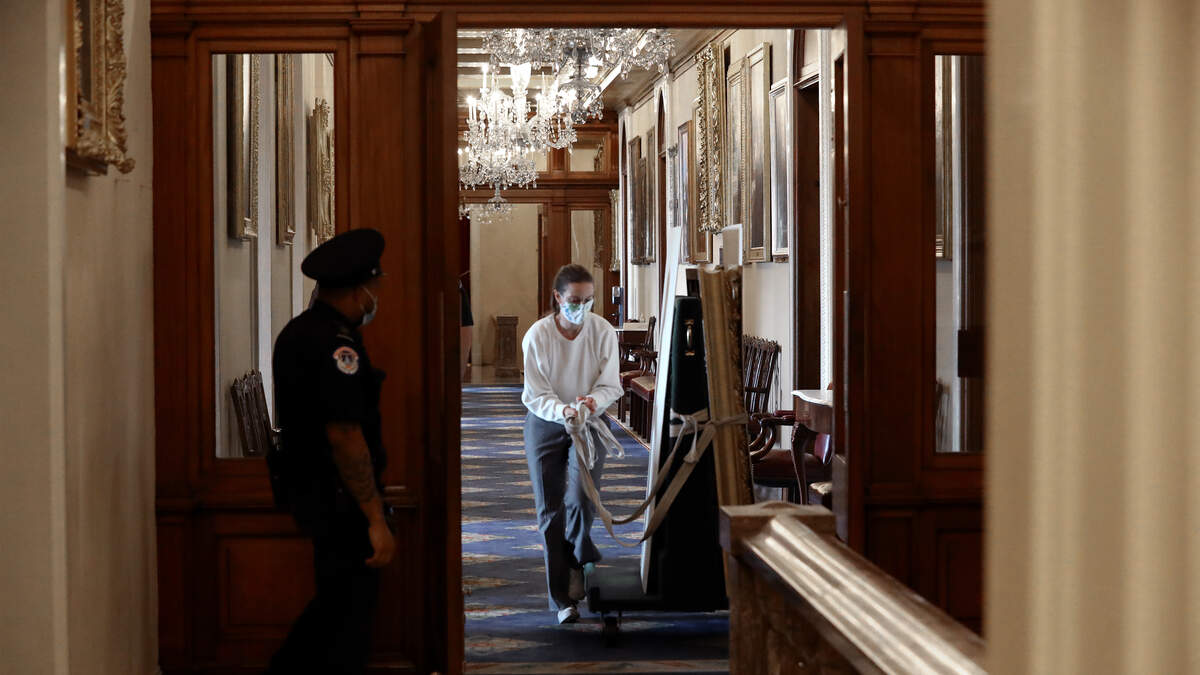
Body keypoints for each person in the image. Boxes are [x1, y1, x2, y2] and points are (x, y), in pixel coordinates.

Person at [267, 228, 395, 674]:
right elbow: (344, 434)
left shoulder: (302, 331)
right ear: (359, 290)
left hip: (317, 494)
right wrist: (374, 517)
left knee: (335, 612)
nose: (376, 299)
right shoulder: (336, 345)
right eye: (374, 288)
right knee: (344, 623)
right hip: (339, 502)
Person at [521, 264, 622, 624]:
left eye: (589, 300)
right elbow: (536, 394)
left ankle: (578, 558)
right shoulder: (538, 336)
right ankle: (561, 599)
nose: (582, 307)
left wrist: (594, 401)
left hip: (589, 419)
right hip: (545, 420)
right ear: (558, 298)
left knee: (582, 498)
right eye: (575, 300)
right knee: (550, 510)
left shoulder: (602, 331)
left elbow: (611, 384)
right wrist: (562, 410)